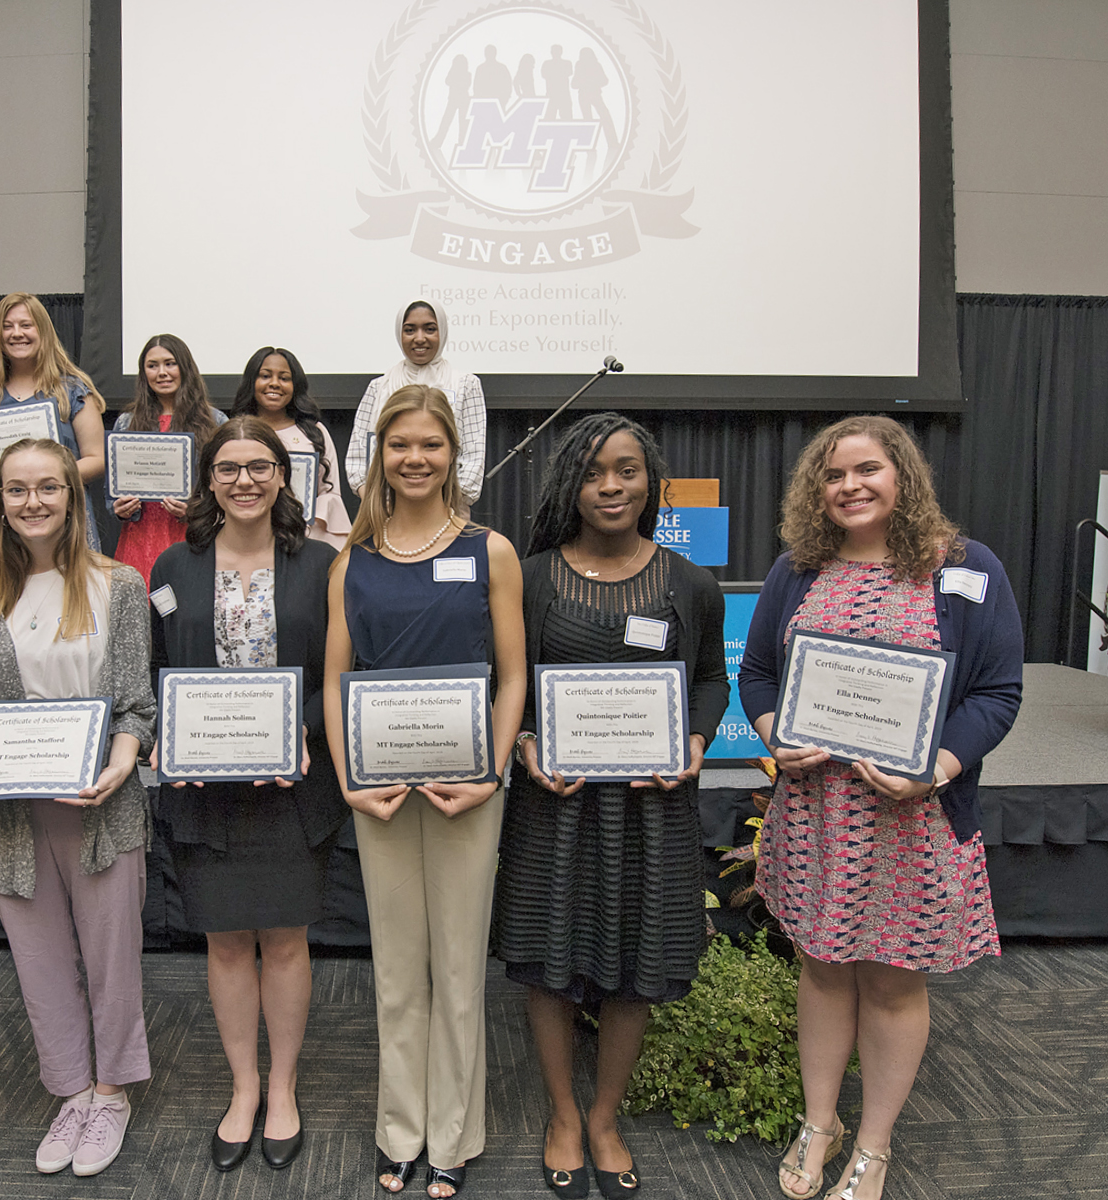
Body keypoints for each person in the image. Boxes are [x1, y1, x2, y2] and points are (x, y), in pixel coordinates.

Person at [737, 416, 1023, 1200]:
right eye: (834, 475)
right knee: (824, 968)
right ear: (815, 490)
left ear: (903, 475)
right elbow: (758, 674)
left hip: (915, 821)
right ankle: (820, 1123)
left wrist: (937, 767)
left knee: (894, 980)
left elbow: (999, 693)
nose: (851, 486)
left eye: (868, 469)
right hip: (818, 817)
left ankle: (874, 1144)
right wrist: (774, 736)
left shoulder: (965, 570)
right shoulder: (799, 570)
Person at [492, 415, 728, 1198]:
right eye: (594, 473)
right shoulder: (527, 577)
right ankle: (562, 1111)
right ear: (571, 485)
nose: (611, 486)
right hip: (553, 806)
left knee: (636, 966)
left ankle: (603, 1115)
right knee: (549, 963)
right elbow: (508, 686)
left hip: (650, 810)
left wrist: (694, 744)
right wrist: (524, 744)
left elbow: (708, 681)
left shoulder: (689, 585)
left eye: (627, 471)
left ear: (650, 481)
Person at [325, 385, 527, 1199]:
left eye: (430, 445)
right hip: (378, 789)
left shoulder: (491, 551)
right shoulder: (354, 558)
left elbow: (513, 680)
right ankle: (400, 1129)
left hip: (469, 786)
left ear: (454, 456)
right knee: (399, 969)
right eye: (399, 444)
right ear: (380, 455)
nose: (415, 458)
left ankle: (454, 1134)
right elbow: (336, 680)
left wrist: (492, 771)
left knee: (458, 965)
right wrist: (347, 783)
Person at [0, 439, 155, 1178]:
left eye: (49, 488)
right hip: (9, 812)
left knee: (110, 957)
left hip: (101, 805)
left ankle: (112, 1091)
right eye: (17, 490)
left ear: (74, 497)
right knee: (38, 963)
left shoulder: (118, 585)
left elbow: (135, 703)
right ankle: (69, 1088)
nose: (33, 502)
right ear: (0, 502)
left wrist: (120, 765)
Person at [147, 416, 344, 1173]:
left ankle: (285, 1088)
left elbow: (340, 674)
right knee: (226, 942)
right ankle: (242, 1088)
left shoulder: (323, 564)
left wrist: (307, 731)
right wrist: (169, 733)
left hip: (295, 784)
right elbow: (160, 674)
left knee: (286, 941)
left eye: (259, 466)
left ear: (283, 475)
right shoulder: (172, 567)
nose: (244, 481)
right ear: (208, 480)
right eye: (227, 468)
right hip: (205, 790)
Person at [0, 293, 106, 586]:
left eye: (26, 325)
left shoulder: (72, 390)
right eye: (7, 326)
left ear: (42, 331)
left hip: (59, 514)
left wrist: (43, 484)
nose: (17, 333)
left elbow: (95, 459)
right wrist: (6, 485)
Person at [345, 301, 486, 506]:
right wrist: (378, 502)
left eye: (430, 329)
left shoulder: (466, 385)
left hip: (448, 508)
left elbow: (473, 458)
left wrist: (441, 506)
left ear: (443, 332)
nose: (419, 338)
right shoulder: (378, 387)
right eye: (410, 330)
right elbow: (357, 459)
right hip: (385, 509)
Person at [111, 334, 227, 583]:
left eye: (170, 363)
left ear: (185, 367)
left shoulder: (215, 421)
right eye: (152, 366)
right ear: (144, 374)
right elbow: (112, 495)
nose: (161, 372)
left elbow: (227, 486)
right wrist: (119, 509)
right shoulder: (126, 422)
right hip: (139, 538)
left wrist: (196, 510)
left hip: (192, 537)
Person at [230, 346, 351, 550]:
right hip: (247, 541)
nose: (275, 384)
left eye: (284, 378)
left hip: (305, 540)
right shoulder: (236, 432)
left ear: (295, 385)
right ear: (252, 382)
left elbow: (330, 494)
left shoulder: (314, 432)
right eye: (265, 376)